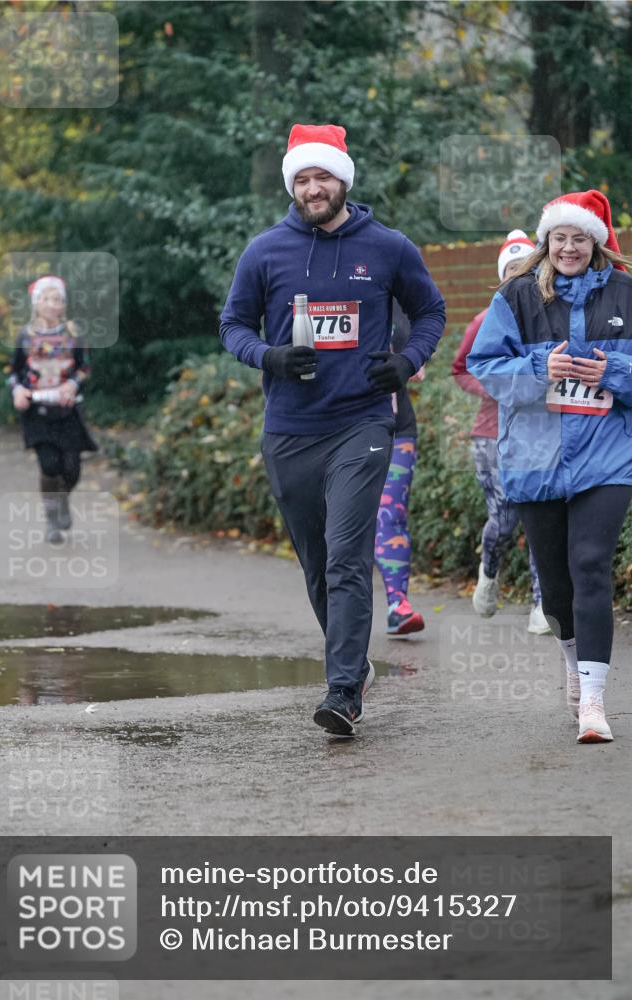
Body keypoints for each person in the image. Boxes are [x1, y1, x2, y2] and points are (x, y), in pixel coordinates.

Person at [220, 123, 445, 736]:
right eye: (302, 179)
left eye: (323, 177)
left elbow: (430, 311)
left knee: (347, 555)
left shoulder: (388, 246)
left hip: (363, 422)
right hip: (290, 430)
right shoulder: (265, 251)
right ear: (291, 185)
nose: (312, 188)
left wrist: (407, 361)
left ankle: (343, 691)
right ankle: (356, 663)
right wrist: (269, 356)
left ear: (342, 181)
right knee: (318, 565)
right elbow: (232, 325)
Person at [467, 190, 632, 743]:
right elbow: (485, 366)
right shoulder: (516, 296)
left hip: (607, 458)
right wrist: (542, 366)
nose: (568, 248)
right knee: (556, 586)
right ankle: (572, 663)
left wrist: (612, 372)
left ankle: (594, 701)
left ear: (596, 243)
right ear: (546, 243)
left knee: (591, 565)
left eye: (579, 238)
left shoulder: (626, 293)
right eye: (559, 237)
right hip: (535, 459)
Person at [452, 231, 551, 634]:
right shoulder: (485, 320)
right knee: (506, 518)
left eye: (527, 267)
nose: (519, 275)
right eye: (512, 269)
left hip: (540, 432)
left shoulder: (551, 317)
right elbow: (461, 369)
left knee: (541, 517)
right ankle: (489, 572)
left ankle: (542, 604)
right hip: (492, 434)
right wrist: (496, 388)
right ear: (501, 275)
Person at [8, 275, 98, 543]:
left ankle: (61, 500)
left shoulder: (72, 334)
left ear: (63, 304)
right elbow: (12, 372)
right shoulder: (25, 336)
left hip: (67, 411)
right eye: (46, 299)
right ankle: (51, 520)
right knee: (49, 465)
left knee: (72, 469)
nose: (52, 304)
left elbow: (84, 368)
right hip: (37, 412)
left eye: (57, 299)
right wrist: (17, 390)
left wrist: (73, 384)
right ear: (36, 303)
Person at [374, 300, 426, 636]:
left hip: (397, 426)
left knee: (390, 515)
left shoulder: (397, 304)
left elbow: (416, 368)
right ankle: (339, 611)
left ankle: (398, 605)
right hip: (340, 428)